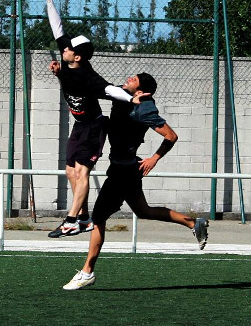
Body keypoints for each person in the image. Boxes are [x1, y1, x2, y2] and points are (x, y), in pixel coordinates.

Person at [62, 72, 209, 290]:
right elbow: (97, 87)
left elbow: (171, 136)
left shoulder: (144, 108)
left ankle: (87, 272)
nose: (130, 78)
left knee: (98, 219)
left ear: (141, 91)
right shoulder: (121, 96)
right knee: (143, 211)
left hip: (123, 172)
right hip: (125, 167)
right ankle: (193, 223)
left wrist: (155, 158)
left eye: (135, 79)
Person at [37, 0, 146, 238]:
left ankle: (72, 219)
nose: (64, 48)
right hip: (80, 124)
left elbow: (109, 89)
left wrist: (131, 99)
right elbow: (57, 27)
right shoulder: (68, 58)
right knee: (70, 172)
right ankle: (84, 217)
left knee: (83, 171)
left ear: (78, 56)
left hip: (95, 126)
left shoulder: (88, 76)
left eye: (70, 48)